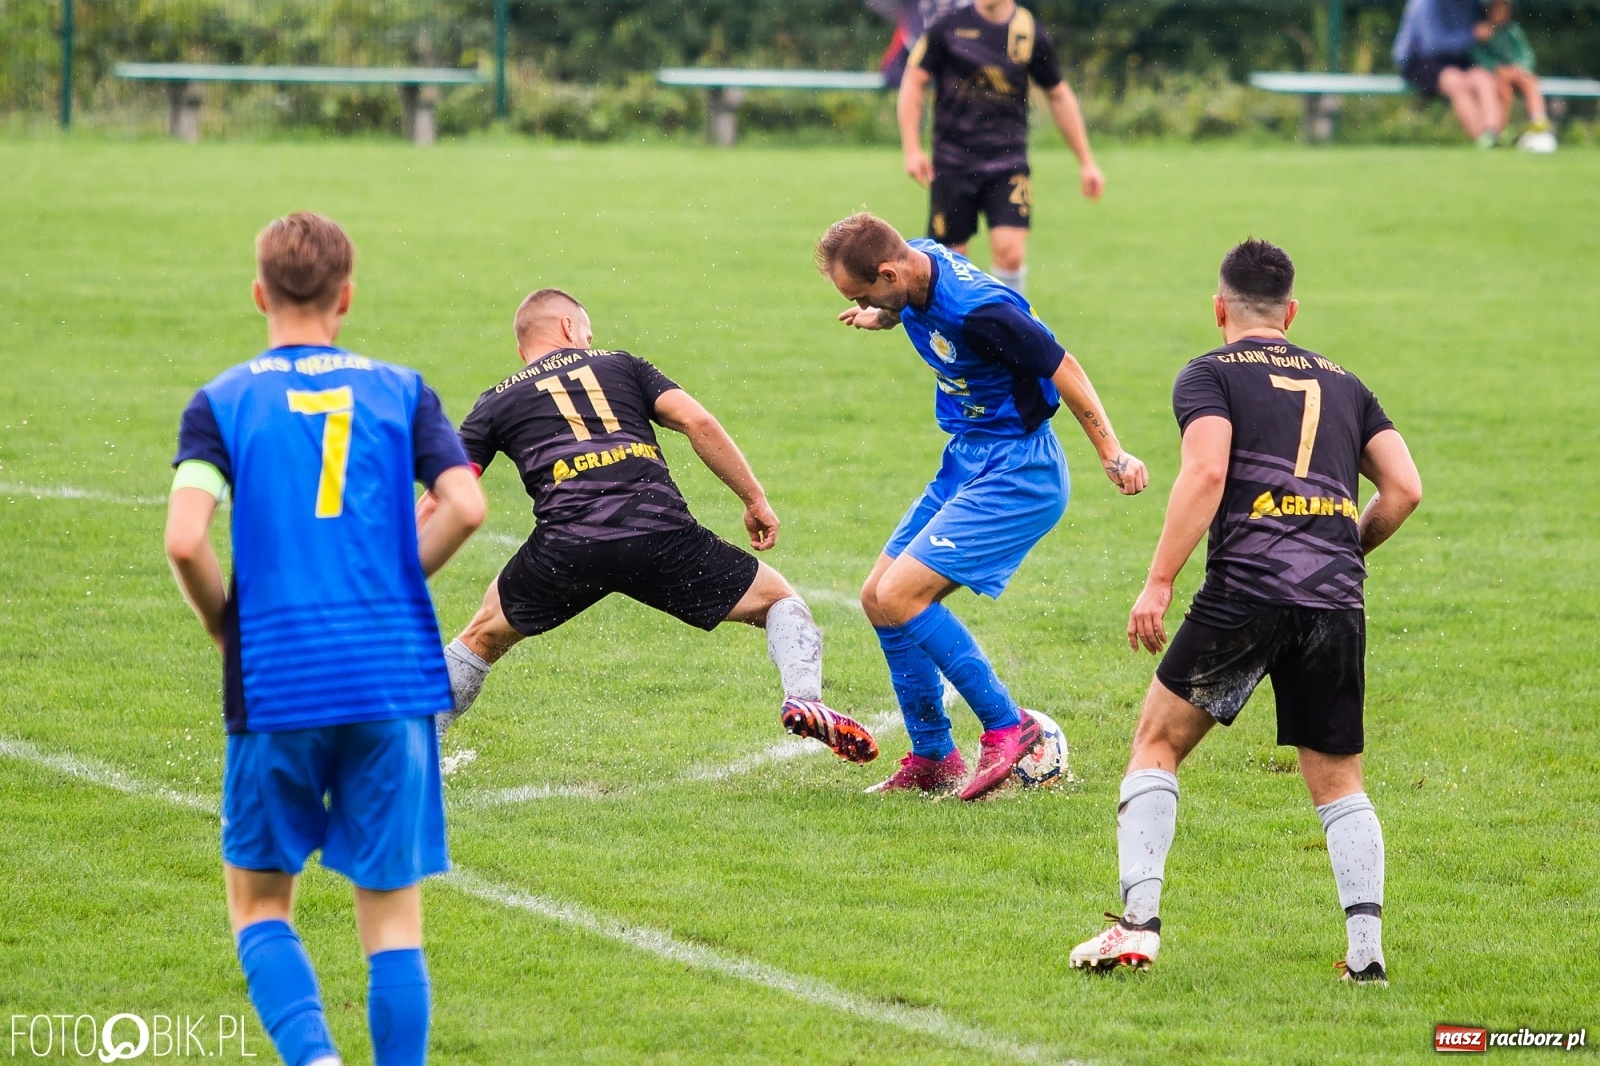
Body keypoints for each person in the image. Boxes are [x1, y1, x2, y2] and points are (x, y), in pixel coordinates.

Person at [165, 212, 485, 1066]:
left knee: (262, 906)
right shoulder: (401, 389)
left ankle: (314, 1056)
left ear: (259, 294)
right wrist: (396, 577)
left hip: (278, 676)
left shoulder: (222, 402)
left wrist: (223, 624)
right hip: (390, 675)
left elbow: (186, 539)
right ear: (346, 298)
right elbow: (466, 504)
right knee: (389, 913)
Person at [1067, 239, 1422, 985]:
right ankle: (1366, 958)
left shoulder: (1209, 373)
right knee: (1339, 781)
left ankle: (1137, 928)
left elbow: (1206, 469)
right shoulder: (1347, 383)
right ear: (1291, 312)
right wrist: (1348, 550)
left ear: (1219, 308)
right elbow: (1404, 490)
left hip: (1246, 590)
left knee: (1156, 743)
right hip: (1333, 599)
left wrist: (1160, 580)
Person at [425, 288, 879, 766]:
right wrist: (754, 499)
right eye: (586, 331)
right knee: (779, 600)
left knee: (479, 637)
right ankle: (803, 697)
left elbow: (442, 495)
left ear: (523, 349)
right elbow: (697, 422)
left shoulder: (496, 401)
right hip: (658, 532)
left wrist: (401, 562)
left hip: (567, 546)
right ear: (567, 328)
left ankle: (416, 752)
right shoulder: (622, 364)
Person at [816, 212, 1148, 801]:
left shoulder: (982, 310)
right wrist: (880, 315)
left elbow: (1064, 367)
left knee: (900, 595)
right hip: (968, 457)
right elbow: (907, 305)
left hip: (1021, 469)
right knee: (877, 597)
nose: (860, 301)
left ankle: (1010, 727)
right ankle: (934, 756)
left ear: (889, 272)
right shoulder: (912, 265)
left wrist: (1112, 453)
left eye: (862, 293)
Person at [897, 0, 1103, 296]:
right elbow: (914, 81)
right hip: (952, 163)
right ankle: (958, 337)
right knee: (949, 262)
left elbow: (1058, 96)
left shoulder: (1029, 31)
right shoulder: (947, 26)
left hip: (1007, 161)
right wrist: (912, 148)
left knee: (1011, 254)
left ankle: (1010, 332)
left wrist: (1087, 161)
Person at [1392, 0, 1505, 148]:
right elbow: (1433, 45)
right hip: (1418, 59)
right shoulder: (1425, 4)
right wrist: (1472, 34)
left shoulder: (1471, 4)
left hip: (1453, 58)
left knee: (1484, 79)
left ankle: (1492, 134)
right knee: (1454, 81)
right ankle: (1482, 140)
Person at [1471, 0, 1557, 153]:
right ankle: (1500, 130)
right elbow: (1477, 56)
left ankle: (1538, 120)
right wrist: (1496, 68)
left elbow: (1527, 55)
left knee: (1531, 83)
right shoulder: (1482, 31)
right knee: (1503, 89)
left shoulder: (1512, 31)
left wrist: (1521, 67)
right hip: (1496, 76)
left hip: (1517, 73)